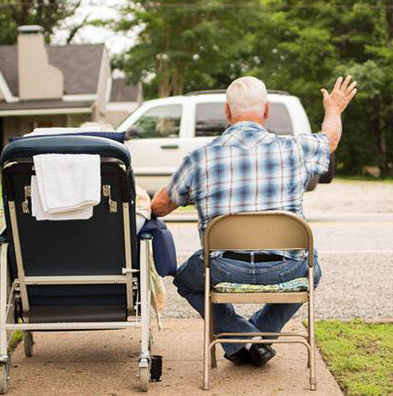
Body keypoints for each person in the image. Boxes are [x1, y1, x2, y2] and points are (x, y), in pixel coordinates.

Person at [150, 75, 357, 367]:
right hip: (287, 269)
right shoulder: (295, 148)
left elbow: (160, 206)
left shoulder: (200, 158)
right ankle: (259, 337)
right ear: (267, 110)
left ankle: (241, 338)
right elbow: (330, 141)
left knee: (186, 279)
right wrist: (334, 109)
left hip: (222, 269)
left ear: (226, 111)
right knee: (313, 272)